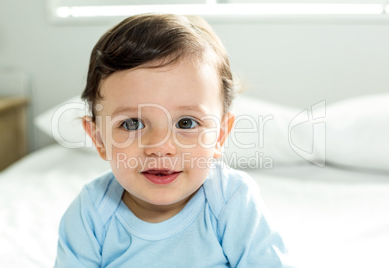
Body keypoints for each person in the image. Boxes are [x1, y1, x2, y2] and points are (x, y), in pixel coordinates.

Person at [55, 13, 291, 267]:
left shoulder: (231, 201)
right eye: (132, 123)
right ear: (99, 139)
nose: (160, 147)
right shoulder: (90, 214)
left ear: (220, 135)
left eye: (185, 123)